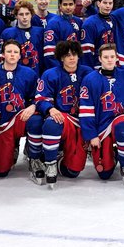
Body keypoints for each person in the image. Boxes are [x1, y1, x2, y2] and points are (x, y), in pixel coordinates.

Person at [76, 43, 124, 186]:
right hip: (101, 127)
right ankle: (115, 155)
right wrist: (92, 135)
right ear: (100, 59)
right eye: (106, 57)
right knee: (104, 173)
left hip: (120, 119)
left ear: (117, 57)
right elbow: (86, 109)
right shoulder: (90, 79)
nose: (109, 60)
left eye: (112, 56)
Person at [33, 40, 92, 188]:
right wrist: (50, 109)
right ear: (61, 58)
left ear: (79, 56)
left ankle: (60, 159)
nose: (71, 58)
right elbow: (40, 98)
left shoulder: (88, 73)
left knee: (73, 171)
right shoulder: (50, 74)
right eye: (67, 55)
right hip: (62, 117)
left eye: (74, 55)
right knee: (52, 122)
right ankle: (50, 162)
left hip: (82, 121)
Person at [0, 40, 41, 178]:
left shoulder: (29, 73)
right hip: (0, 122)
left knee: (37, 120)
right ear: (2, 54)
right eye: (9, 51)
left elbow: (38, 96)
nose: (12, 55)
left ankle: (34, 156)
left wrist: (33, 106)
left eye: (16, 52)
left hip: (20, 118)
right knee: (1, 171)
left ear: (20, 56)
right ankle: (11, 148)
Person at [1, 0, 46, 74]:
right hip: (16, 74)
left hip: (36, 73)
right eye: (21, 14)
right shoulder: (7, 33)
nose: (24, 17)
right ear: (16, 16)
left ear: (31, 15)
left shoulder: (40, 32)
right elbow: (2, 57)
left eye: (27, 14)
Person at [43, 0, 83, 69]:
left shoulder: (79, 22)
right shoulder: (53, 23)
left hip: (76, 67)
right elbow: (49, 52)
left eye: (71, 4)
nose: (68, 7)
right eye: (65, 4)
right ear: (60, 6)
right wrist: (60, 69)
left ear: (75, 5)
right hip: (61, 68)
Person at [80, 0, 116, 68]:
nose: (108, 6)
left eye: (110, 3)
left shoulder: (115, 20)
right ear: (98, 3)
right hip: (97, 67)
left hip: (114, 66)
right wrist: (88, 72)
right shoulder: (89, 23)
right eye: (105, 3)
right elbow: (87, 52)